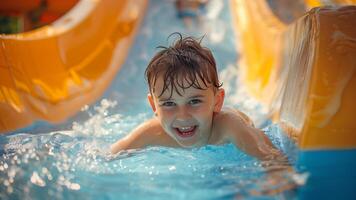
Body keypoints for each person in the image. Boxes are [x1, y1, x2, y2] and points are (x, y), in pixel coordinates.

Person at [111, 33, 285, 163]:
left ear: (217, 101)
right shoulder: (152, 132)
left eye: (194, 101)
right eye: (169, 103)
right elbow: (107, 158)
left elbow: (272, 159)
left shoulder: (228, 127)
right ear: (154, 106)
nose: (182, 116)